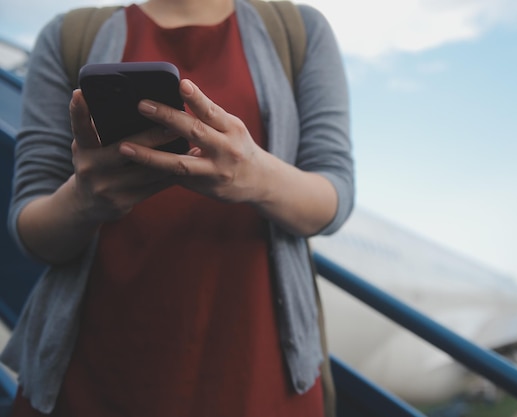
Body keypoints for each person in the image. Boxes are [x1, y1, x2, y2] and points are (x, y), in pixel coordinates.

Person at [1, 0, 353, 415]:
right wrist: (85, 199)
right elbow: (31, 225)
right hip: (90, 376)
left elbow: (335, 194)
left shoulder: (300, 29)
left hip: (261, 375)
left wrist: (258, 178)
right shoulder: (67, 36)